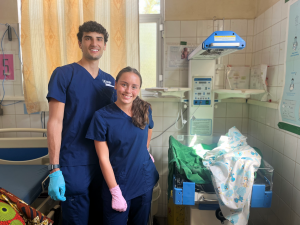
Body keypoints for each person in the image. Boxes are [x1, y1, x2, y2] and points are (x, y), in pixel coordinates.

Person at [46, 21, 117, 225]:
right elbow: (55, 122)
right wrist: (54, 168)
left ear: (104, 45)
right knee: (77, 219)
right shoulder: (64, 74)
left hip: (104, 162)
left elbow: (117, 123)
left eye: (99, 39)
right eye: (88, 38)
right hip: (74, 161)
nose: (94, 43)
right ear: (80, 43)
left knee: (100, 216)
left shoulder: (110, 81)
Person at [86, 67, 159, 225]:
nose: (128, 91)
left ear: (139, 89)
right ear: (116, 84)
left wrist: (144, 150)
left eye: (134, 87)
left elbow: (149, 128)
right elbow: (103, 158)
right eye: (124, 84)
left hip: (143, 179)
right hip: (118, 183)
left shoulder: (144, 109)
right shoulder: (102, 117)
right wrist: (114, 191)